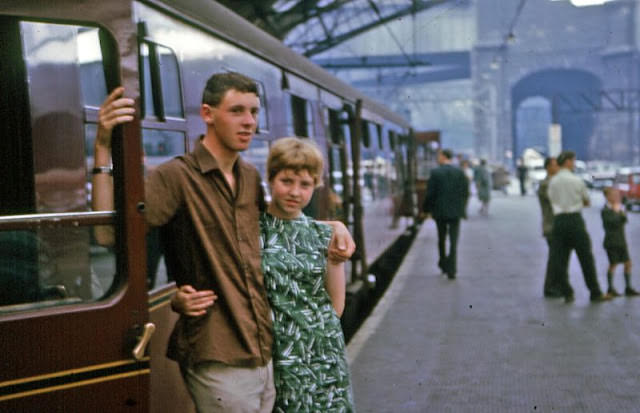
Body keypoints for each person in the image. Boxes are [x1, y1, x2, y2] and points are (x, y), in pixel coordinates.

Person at [91, 72, 355, 413]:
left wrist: (332, 226)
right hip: (217, 349)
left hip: (264, 352)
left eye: (254, 112)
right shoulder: (176, 176)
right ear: (207, 113)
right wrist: (101, 148)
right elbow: (108, 235)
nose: (248, 122)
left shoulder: (249, 177)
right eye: (237, 111)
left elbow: (277, 231)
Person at [260, 137, 354, 412]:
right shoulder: (251, 229)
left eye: (305, 184)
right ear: (270, 178)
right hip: (274, 351)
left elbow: (335, 305)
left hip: (320, 352)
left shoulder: (325, 235)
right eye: (286, 181)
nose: (295, 192)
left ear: (316, 186)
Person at [547, 151, 610, 303]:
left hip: (559, 221)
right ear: (568, 162)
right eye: (573, 161)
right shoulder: (577, 180)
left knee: (559, 259)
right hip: (575, 220)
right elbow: (587, 201)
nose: (574, 164)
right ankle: (595, 292)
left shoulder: (553, 181)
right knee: (586, 258)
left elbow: (551, 200)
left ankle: (567, 292)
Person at [422, 149, 469, 279]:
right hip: (455, 212)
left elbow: (430, 194)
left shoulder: (436, 173)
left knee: (441, 239)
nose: (438, 158)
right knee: (454, 241)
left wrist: (426, 209)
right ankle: (452, 269)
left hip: (440, 212)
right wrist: (462, 209)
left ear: (443, 157)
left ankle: (443, 263)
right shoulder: (459, 172)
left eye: (439, 156)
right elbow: (465, 192)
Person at [601, 187, 638, 297]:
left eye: (618, 195)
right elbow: (612, 222)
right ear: (608, 197)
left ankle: (628, 287)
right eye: (614, 195)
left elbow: (624, 220)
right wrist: (617, 212)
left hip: (621, 241)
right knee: (613, 264)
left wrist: (619, 212)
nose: (617, 197)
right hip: (611, 242)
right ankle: (610, 288)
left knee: (628, 263)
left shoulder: (619, 208)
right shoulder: (605, 210)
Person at [537, 157, 562, 298]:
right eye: (554, 165)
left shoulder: (554, 182)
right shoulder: (546, 184)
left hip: (555, 225)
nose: (557, 167)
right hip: (551, 226)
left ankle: (556, 286)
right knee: (555, 258)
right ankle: (550, 287)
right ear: (548, 167)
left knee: (558, 257)